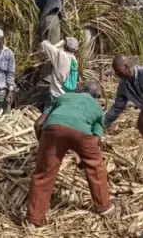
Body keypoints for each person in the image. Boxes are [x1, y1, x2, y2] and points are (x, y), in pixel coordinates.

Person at [26, 82, 115, 227]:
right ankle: (104, 207)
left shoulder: (64, 97)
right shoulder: (97, 108)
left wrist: (44, 145)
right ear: (96, 97)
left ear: (79, 91)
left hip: (53, 128)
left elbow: (38, 123)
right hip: (81, 133)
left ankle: (33, 220)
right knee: (96, 167)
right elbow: (96, 137)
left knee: (43, 174)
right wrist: (86, 158)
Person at [104, 54, 143, 136]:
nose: (116, 73)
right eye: (115, 71)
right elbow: (117, 107)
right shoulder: (123, 85)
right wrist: (103, 123)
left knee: (141, 123)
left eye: (118, 70)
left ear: (127, 65)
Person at [40, 37, 79, 110]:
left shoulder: (60, 55)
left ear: (65, 46)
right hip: (68, 96)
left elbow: (44, 44)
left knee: (48, 116)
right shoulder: (74, 61)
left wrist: (60, 43)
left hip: (56, 94)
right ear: (76, 50)